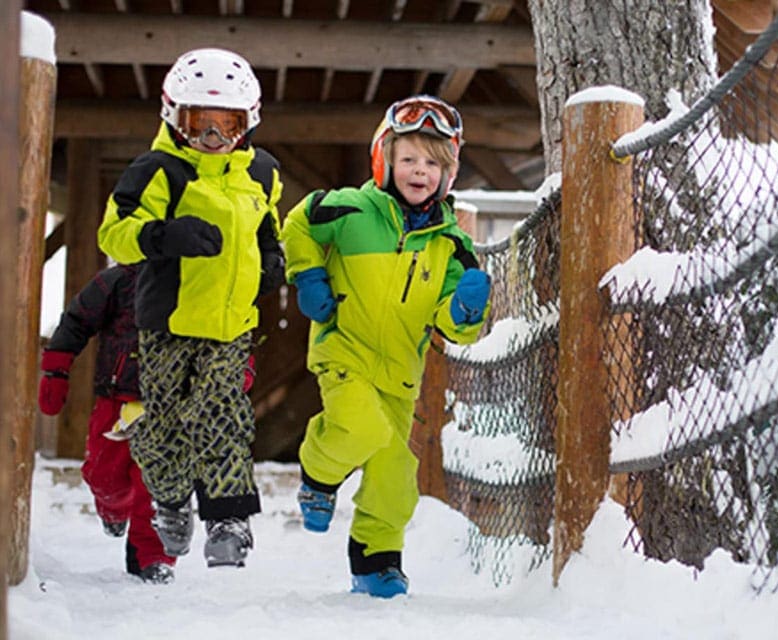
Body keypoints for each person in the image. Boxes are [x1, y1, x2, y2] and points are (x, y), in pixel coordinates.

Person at [281, 95, 491, 598]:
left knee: (397, 473)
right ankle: (318, 473)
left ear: (449, 173)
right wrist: (307, 274)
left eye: (433, 163)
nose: (420, 172)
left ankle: (377, 563)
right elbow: (299, 222)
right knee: (358, 427)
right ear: (385, 160)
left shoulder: (451, 245)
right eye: (409, 159)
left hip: (400, 373)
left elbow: (451, 325)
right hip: (344, 351)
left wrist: (464, 311)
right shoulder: (351, 208)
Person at [96, 48, 284, 569]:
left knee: (220, 414)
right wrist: (162, 235)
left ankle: (228, 520)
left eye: (227, 125)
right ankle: (172, 501)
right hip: (169, 323)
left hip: (230, 326)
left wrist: (272, 261)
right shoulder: (158, 170)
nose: (214, 139)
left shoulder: (262, 172)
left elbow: (268, 228)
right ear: (172, 118)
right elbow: (114, 233)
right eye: (199, 124)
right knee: (163, 427)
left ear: (249, 123)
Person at [38, 263, 178, 584]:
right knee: (104, 475)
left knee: (157, 485)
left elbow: (229, 326)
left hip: (168, 405)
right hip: (116, 398)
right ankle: (114, 508)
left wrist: (238, 370)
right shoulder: (118, 280)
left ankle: (153, 558)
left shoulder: (199, 277)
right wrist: (56, 369)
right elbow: (76, 320)